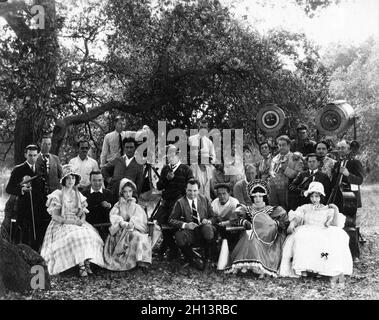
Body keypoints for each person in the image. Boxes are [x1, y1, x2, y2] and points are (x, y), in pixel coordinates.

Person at [279, 182, 353, 287]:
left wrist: (335, 210)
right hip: (307, 228)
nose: (314, 199)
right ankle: (304, 268)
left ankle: (320, 269)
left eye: (317, 196)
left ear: (321, 197)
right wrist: (292, 224)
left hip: (321, 230)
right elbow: (297, 217)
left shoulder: (327, 209)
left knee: (329, 239)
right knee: (302, 237)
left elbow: (335, 224)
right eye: (312, 196)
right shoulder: (305, 207)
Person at [40, 164, 105, 277]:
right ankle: (81, 265)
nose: (71, 180)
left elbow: (83, 213)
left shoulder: (78, 195)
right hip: (62, 223)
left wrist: (81, 220)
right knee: (75, 237)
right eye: (68, 178)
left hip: (77, 222)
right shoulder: (58, 195)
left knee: (91, 235)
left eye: (73, 178)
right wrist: (72, 222)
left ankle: (87, 262)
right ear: (64, 180)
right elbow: (55, 216)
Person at [224, 180, 288, 278]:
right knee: (249, 237)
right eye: (255, 197)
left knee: (255, 238)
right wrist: (244, 222)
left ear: (264, 197)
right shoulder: (246, 209)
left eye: (260, 196)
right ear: (251, 197)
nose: (257, 199)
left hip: (267, 238)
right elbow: (235, 217)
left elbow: (283, 221)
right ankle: (247, 265)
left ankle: (258, 267)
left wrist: (273, 224)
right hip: (250, 234)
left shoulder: (273, 209)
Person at [169, 179, 218, 272]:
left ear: (198, 190)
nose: (192, 193)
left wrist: (208, 221)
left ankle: (208, 260)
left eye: (195, 190)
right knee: (179, 236)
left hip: (203, 229)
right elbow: (171, 220)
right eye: (189, 190)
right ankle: (192, 258)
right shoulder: (180, 202)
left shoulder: (204, 199)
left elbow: (214, 217)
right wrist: (185, 225)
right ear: (185, 190)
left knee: (208, 229)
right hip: (190, 231)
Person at [103, 178, 152, 271]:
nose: (128, 194)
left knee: (139, 236)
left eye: (130, 191)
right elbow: (114, 216)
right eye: (125, 192)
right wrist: (121, 222)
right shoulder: (118, 205)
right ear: (122, 193)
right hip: (120, 231)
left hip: (132, 228)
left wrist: (133, 222)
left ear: (133, 191)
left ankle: (140, 261)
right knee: (134, 235)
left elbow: (140, 218)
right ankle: (129, 261)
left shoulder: (136, 205)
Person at [6, 144, 47, 251]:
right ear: (25, 155)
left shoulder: (41, 169)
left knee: (39, 233)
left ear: (38, 155)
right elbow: (9, 189)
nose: (32, 158)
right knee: (25, 234)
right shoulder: (18, 169)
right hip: (24, 207)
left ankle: (38, 257)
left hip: (39, 207)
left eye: (34, 155)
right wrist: (21, 190)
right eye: (30, 155)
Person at [155, 145, 194, 260]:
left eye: (172, 155)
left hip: (180, 204)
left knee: (174, 224)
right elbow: (159, 186)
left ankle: (172, 249)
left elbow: (192, 187)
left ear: (178, 155)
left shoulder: (186, 169)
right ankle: (172, 249)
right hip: (167, 203)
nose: (170, 158)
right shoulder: (166, 169)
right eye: (168, 156)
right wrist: (166, 179)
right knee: (161, 223)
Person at [330, 140, 364, 261]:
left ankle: (354, 254)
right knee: (337, 224)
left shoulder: (355, 162)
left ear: (349, 149)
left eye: (343, 148)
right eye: (339, 148)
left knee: (350, 225)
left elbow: (359, 180)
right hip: (339, 197)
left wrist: (348, 174)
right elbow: (334, 181)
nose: (341, 151)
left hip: (350, 198)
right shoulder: (337, 163)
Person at [269, 135, 304, 210]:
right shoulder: (275, 159)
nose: (281, 147)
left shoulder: (295, 158)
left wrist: (285, 169)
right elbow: (271, 172)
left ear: (289, 145)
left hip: (288, 192)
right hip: (274, 191)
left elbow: (299, 176)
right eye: (279, 145)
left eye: (283, 145)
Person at [82, 171, 115, 240]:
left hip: (106, 228)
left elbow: (115, 211)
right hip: (88, 228)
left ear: (102, 180)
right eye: (94, 180)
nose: (97, 183)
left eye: (99, 180)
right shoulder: (83, 194)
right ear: (90, 180)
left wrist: (109, 205)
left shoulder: (109, 193)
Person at [211, 183, 240, 251]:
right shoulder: (214, 203)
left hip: (232, 227)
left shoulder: (234, 202)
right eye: (219, 194)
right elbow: (213, 217)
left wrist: (225, 222)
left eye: (224, 193)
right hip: (219, 226)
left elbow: (237, 218)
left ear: (229, 193)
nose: (221, 196)